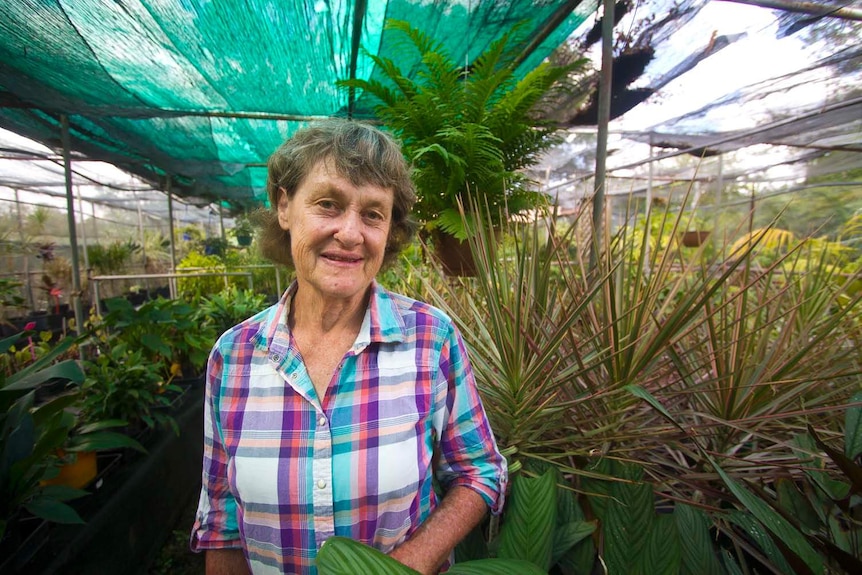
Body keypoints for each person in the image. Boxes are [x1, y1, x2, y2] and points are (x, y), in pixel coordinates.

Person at [190, 119, 508, 575]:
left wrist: (406, 565)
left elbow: (481, 472)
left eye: (373, 214)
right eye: (328, 204)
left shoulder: (430, 339)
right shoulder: (235, 356)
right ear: (284, 207)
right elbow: (221, 520)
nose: (351, 233)